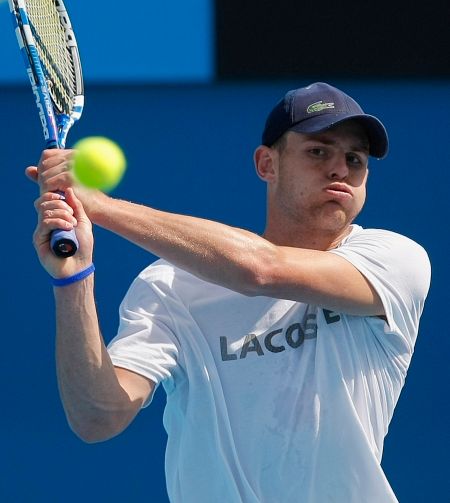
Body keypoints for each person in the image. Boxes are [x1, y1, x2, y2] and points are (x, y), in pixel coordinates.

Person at [28, 82, 430, 503]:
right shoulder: (171, 286)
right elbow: (98, 417)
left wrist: (102, 206)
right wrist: (74, 280)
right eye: (318, 151)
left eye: (355, 159)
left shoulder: (395, 261)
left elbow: (261, 269)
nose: (339, 169)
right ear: (266, 164)